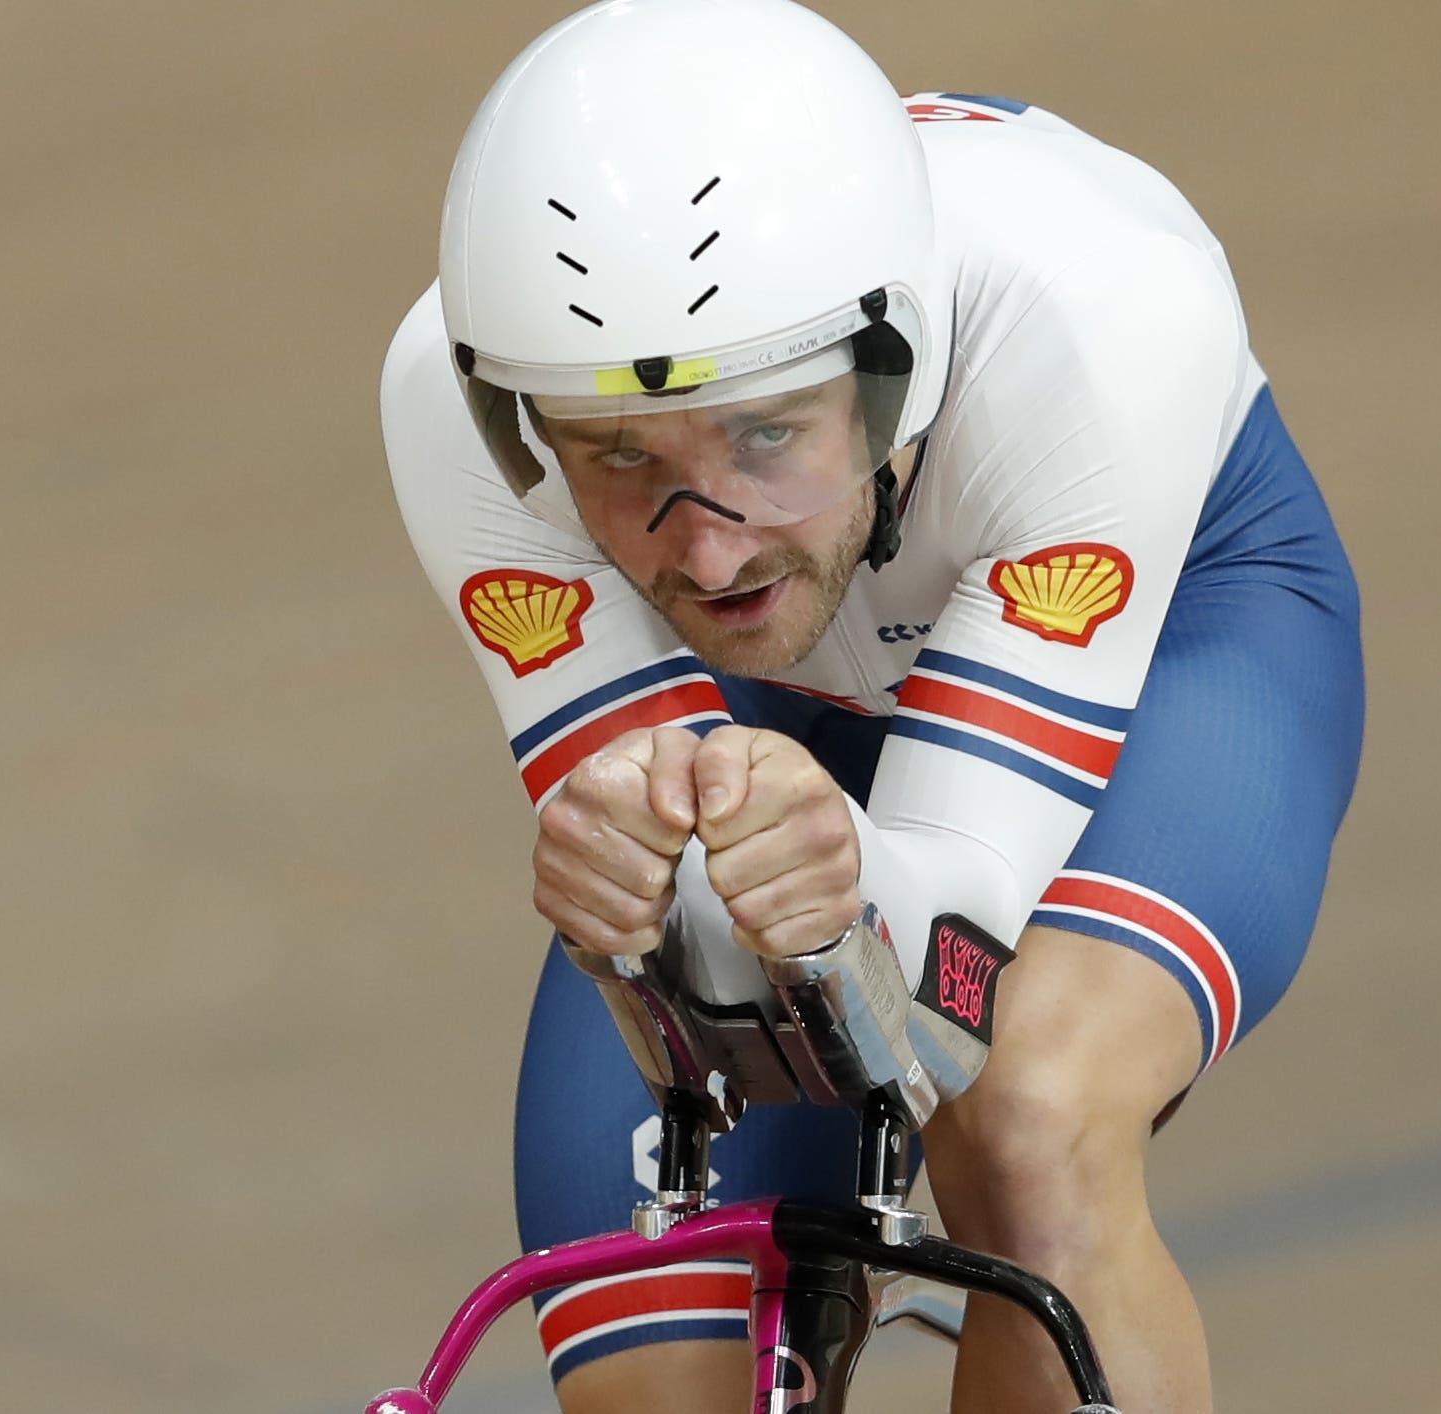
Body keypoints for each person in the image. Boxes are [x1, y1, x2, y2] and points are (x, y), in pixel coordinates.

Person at [380, 1, 1363, 1409]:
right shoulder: (457, 398)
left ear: (893, 369)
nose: (705, 548)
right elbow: (688, 977)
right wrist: (635, 902)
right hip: (771, 705)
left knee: (1026, 1121)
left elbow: (937, 975)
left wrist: (844, 891)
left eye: (768, 433)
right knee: (653, 1357)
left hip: (1163, 645)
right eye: (615, 459)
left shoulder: (1095, 314)